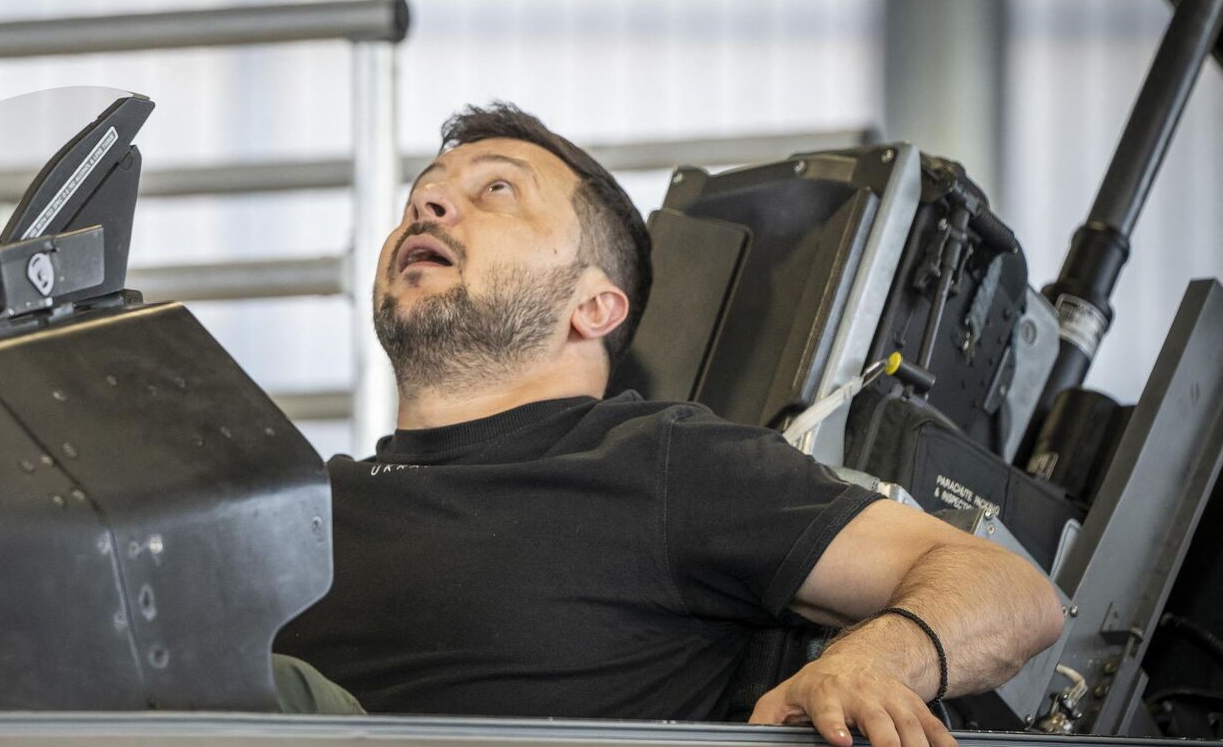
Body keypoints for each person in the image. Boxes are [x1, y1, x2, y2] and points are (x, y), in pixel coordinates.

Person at [272, 103, 1063, 747]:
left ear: (594, 305)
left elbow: (1014, 591)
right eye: (424, 193)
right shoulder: (297, 504)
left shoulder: (655, 462)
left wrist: (870, 661)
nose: (429, 204)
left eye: (496, 191)